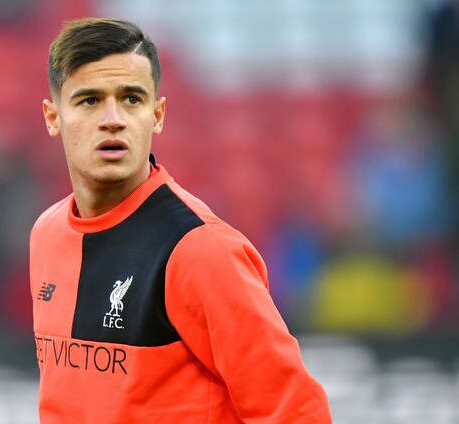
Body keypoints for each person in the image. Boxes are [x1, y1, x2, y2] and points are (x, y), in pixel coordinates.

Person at [30, 17, 331, 423]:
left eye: (131, 98)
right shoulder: (47, 233)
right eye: (89, 101)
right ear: (53, 118)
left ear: (157, 115)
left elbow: (296, 412)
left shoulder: (199, 249)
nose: (113, 118)